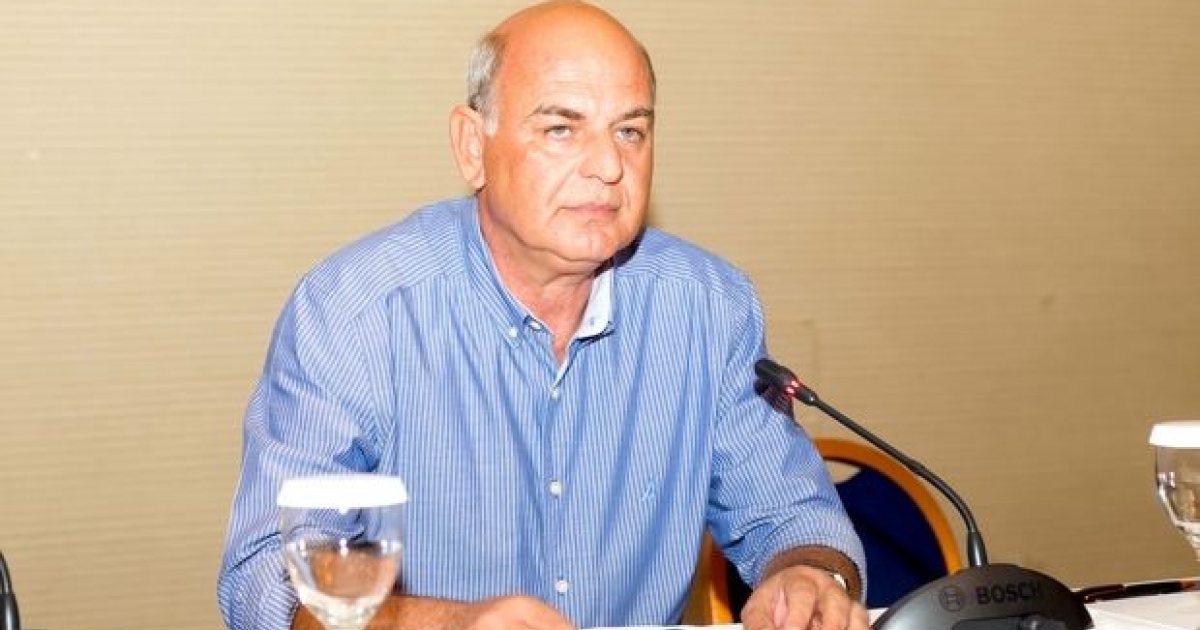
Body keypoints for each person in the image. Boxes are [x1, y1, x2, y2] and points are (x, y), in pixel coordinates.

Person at [217, 2, 868, 630]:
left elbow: (793, 518)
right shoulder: (355, 311)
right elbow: (266, 583)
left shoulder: (708, 308)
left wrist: (810, 576)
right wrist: (448, 625)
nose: (609, 166)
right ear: (472, 147)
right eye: (562, 129)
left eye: (630, 131)